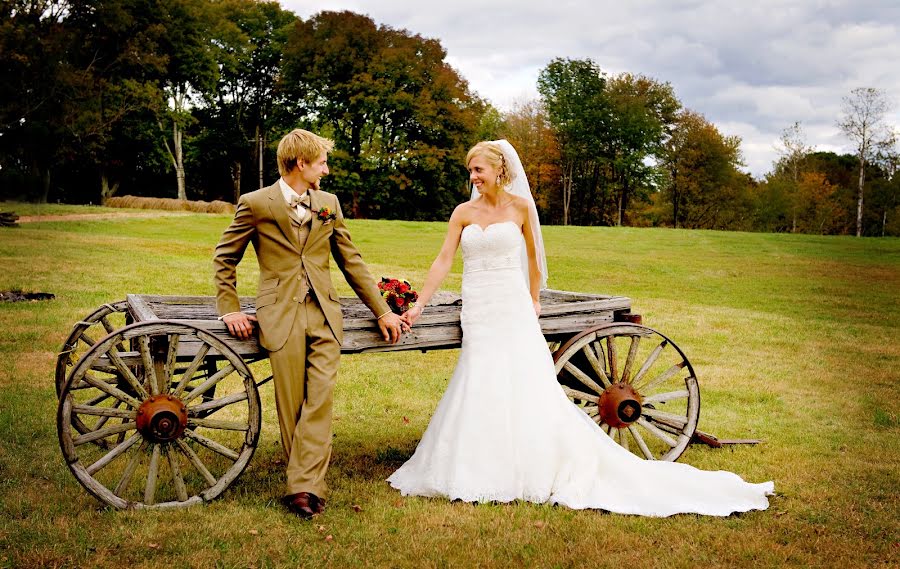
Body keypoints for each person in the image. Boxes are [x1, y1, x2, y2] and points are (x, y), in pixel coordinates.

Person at [387, 140, 774, 516]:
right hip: (478, 306)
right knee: (480, 377)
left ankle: (531, 462)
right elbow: (443, 260)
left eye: (478, 169)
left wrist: (533, 300)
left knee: (525, 381)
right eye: (470, 170)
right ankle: (477, 461)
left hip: (511, 303)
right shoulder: (462, 212)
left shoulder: (521, 207)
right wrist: (420, 302)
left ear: (499, 170)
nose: (473, 177)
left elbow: (535, 261)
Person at [214, 129, 406, 519]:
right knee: (291, 404)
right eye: (321, 162)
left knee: (319, 401)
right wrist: (230, 308)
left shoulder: (328, 203)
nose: (327, 169)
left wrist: (383, 311)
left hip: (324, 314)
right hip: (278, 314)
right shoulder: (255, 204)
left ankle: (304, 487)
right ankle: (306, 486)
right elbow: (224, 258)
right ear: (301, 164)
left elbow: (351, 261)